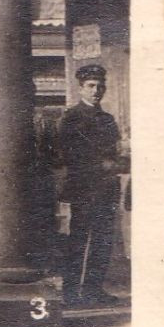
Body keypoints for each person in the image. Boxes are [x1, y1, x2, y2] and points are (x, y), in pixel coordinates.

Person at [57, 64, 124, 307]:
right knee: (79, 241)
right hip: (84, 188)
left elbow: (115, 151)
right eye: (91, 86)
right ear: (81, 88)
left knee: (102, 241)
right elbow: (67, 155)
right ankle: (71, 293)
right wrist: (101, 165)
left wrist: (116, 163)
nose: (96, 91)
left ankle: (94, 290)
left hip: (106, 189)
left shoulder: (107, 119)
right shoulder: (71, 118)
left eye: (100, 86)